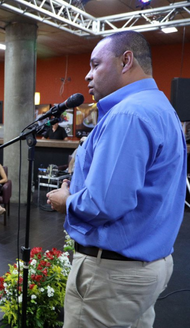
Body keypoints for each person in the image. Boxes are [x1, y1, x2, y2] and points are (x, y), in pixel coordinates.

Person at [46, 31, 186, 327]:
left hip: (111, 276)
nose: (87, 75)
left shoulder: (128, 115)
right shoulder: (162, 108)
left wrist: (66, 201)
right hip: (146, 266)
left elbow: (104, 203)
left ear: (126, 61)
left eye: (95, 64)